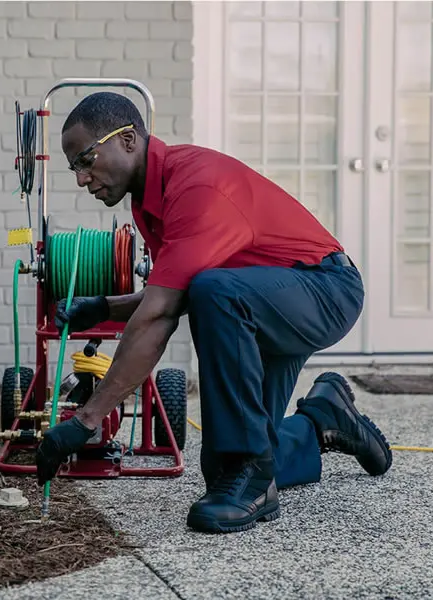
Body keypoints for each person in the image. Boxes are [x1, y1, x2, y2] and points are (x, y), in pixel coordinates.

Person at [35, 91, 393, 534]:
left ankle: (254, 485)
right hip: (266, 304)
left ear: (127, 140)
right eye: (74, 166)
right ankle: (324, 418)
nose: (81, 178)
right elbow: (172, 291)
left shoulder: (196, 185)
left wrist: (86, 420)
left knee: (216, 300)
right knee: (237, 462)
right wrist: (105, 307)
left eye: (86, 159)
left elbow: (162, 312)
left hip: (324, 290)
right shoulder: (149, 199)